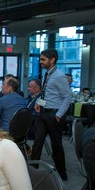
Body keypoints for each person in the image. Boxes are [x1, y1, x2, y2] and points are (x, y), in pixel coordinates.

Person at [31, 49, 72, 181]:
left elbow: (68, 97)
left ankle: (62, 173)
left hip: (54, 114)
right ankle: (33, 170)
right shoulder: (47, 74)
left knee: (56, 144)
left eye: (43, 59)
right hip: (43, 113)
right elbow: (46, 93)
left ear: (52, 60)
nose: (40, 61)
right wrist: (39, 102)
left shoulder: (59, 76)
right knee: (37, 142)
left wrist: (59, 114)